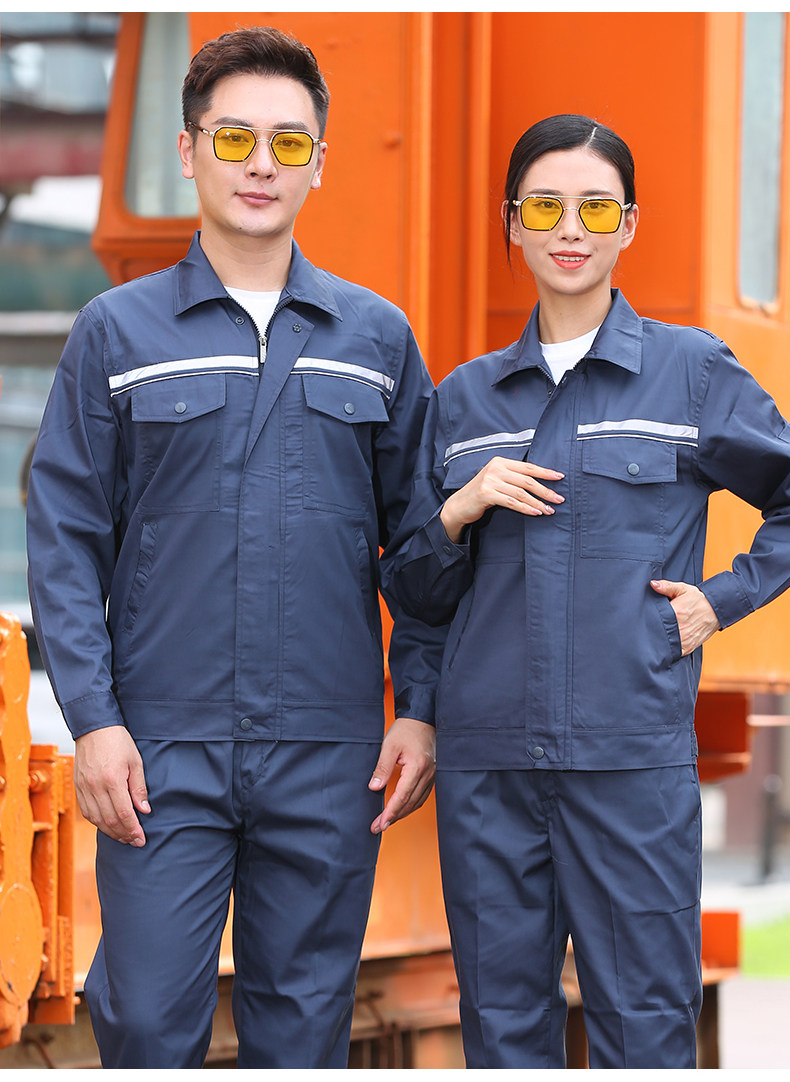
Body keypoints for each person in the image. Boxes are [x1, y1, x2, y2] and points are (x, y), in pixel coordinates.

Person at [26, 26, 441, 1069]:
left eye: (289, 144)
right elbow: (66, 536)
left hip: (327, 745)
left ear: (319, 162)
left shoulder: (376, 338)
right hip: (161, 744)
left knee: (302, 1030)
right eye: (235, 138)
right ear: (188, 150)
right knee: (143, 1021)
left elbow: (421, 548)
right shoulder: (116, 332)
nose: (262, 165)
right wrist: (94, 721)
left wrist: (420, 705)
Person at [380, 113, 790, 1069]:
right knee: (501, 1033)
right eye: (545, 207)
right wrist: (459, 511)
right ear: (512, 223)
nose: (570, 229)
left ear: (628, 225)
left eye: (596, 208)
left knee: (644, 1028)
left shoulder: (690, 372)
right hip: (488, 769)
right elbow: (418, 591)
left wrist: (721, 599)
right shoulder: (465, 399)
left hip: (628, 760)